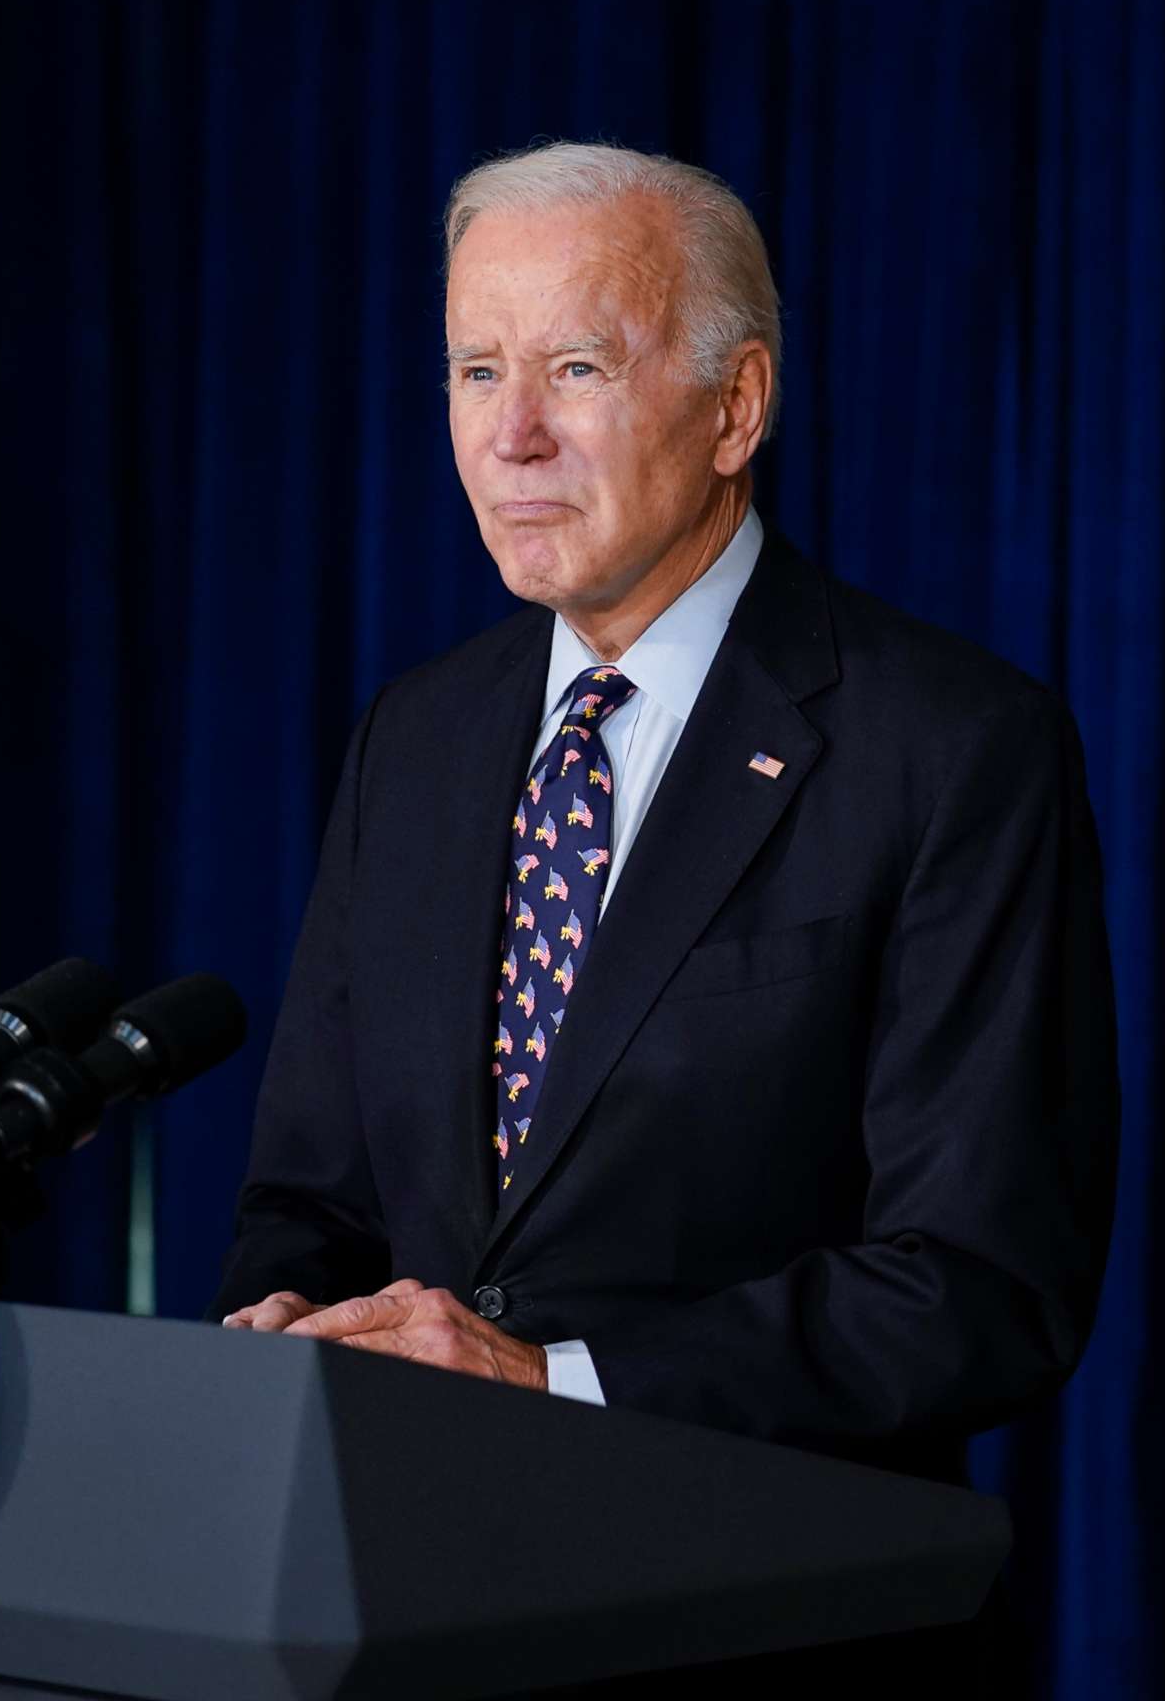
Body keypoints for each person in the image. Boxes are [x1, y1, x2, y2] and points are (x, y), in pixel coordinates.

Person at [213, 141, 1118, 1494]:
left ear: (735, 409)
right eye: (477, 371)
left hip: (761, 1609)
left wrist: (556, 1385)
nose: (512, 431)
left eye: (576, 369)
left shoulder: (951, 751)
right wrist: (287, 1332)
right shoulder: (419, 741)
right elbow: (313, 1202)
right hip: (415, 1599)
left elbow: (980, 1284)